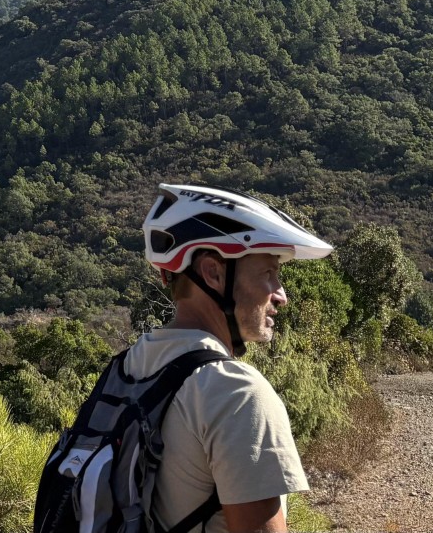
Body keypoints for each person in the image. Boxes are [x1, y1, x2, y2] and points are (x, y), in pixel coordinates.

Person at [130, 184, 334, 533]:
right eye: (268, 273)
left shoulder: (129, 364)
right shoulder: (236, 393)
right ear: (214, 273)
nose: (281, 295)